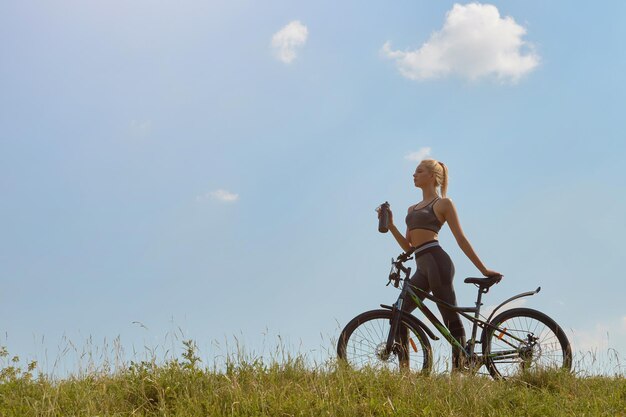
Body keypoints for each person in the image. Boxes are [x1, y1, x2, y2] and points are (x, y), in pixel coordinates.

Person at [379, 159, 501, 371]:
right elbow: (409, 246)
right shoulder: (411, 209)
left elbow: (461, 239)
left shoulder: (443, 204)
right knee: (398, 316)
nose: (413, 174)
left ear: (432, 177)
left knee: (449, 317)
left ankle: (460, 368)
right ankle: (405, 373)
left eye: (419, 171)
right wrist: (390, 225)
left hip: (438, 263)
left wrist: (483, 270)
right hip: (421, 265)